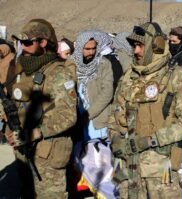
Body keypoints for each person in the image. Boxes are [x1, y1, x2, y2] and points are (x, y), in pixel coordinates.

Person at [108, 22, 182, 198]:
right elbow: (114, 115)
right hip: (129, 168)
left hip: (161, 170)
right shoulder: (127, 78)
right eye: (133, 46)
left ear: (155, 46)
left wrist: (150, 141)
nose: (136, 51)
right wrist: (115, 140)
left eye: (140, 45)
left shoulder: (176, 77)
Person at [5, 18, 77, 198]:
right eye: (22, 42)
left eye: (28, 42)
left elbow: (68, 115)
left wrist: (36, 133)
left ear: (43, 43)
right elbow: (16, 100)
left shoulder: (59, 72)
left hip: (48, 152)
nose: (24, 47)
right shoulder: (22, 68)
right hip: (24, 150)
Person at [72, 30, 122, 141]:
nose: (91, 52)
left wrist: (88, 115)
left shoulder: (104, 64)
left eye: (93, 48)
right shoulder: (70, 66)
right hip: (76, 122)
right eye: (87, 49)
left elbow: (107, 92)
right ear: (80, 48)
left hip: (97, 120)